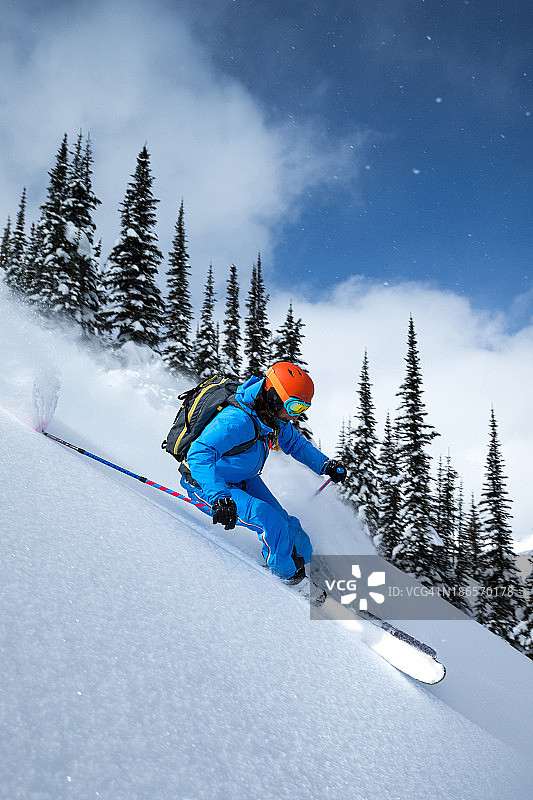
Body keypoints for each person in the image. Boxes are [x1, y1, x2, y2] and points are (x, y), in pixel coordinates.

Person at [179, 362, 347, 584]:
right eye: (295, 407)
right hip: (210, 487)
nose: (296, 416)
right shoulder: (237, 421)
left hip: (244, 479)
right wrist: (219, 498)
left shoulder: (272, 418)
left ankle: (309, 569)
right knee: (270, 522)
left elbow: (296, 445)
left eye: (303, 410)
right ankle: (288, 579)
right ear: (275, 396)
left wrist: (325, 465)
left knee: (291, 527)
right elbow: (199, 453)